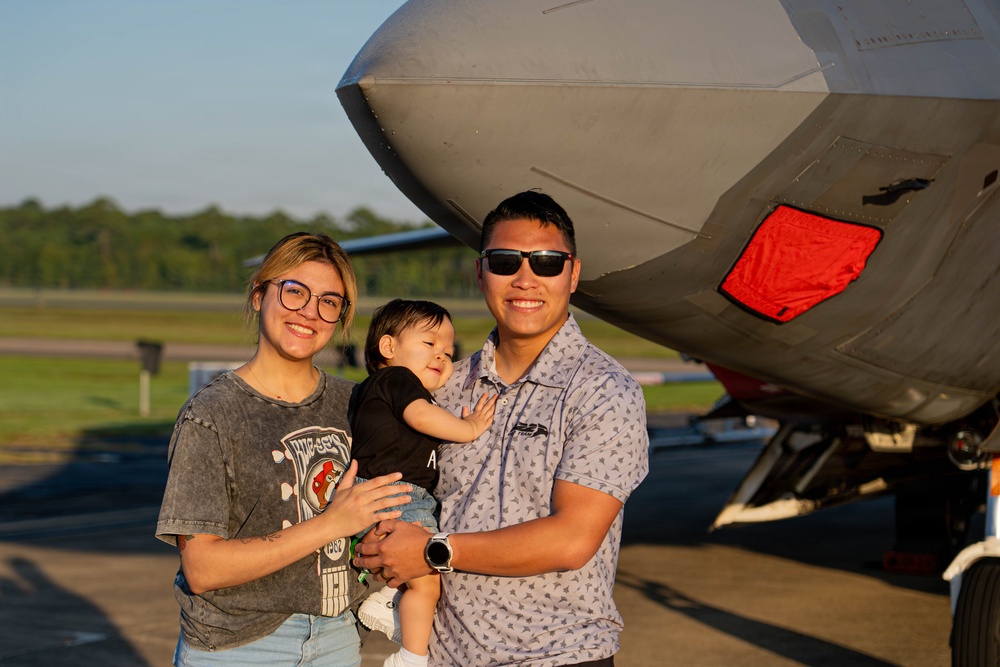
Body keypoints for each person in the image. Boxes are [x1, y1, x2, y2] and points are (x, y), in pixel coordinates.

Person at [353, 191, 650, 666]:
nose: (525, 279)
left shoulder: (603, 391)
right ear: (481, 273)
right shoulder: (444, 389)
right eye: (505, 261)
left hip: (558, 655)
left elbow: (572, 540)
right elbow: (405, 484)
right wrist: (381, 534)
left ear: (573, 274)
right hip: (448, 656)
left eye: (548, 263)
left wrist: (430, 551)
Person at [156, 231, 412, 666]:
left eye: (328, 302)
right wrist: (332, 524)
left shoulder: (360, 403)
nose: (309, 313)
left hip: (337, 637)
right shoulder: (212, 414)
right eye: (294, 292)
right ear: (259, 294)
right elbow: (202, 569)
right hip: (240, 646)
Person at [349, 298, 498, 667]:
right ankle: (411, 659)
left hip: (394, 495)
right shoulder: (397, 380)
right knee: (429, 575)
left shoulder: (384, 387)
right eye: (429, 344)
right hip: (397, 496)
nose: (442, 357)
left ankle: (389, 599)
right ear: (388, 348)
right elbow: (421, 415)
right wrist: (470, 427)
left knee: (423, 574)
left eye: (449, 351)